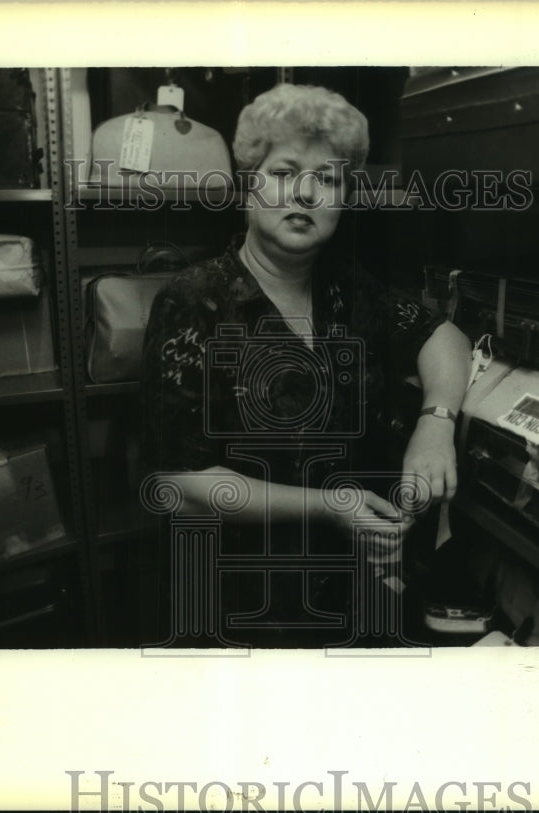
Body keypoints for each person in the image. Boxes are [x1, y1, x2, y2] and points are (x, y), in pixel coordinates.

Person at [140, 83, 472, 647]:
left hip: (354, 584)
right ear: (249, 183)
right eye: (285, 172)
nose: (306, 193)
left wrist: (435, 423)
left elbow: (443, 335)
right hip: (243, 599)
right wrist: (330, 508)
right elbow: (179, 480)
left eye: (328, 179)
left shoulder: (347, 289)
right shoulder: (192, 302)